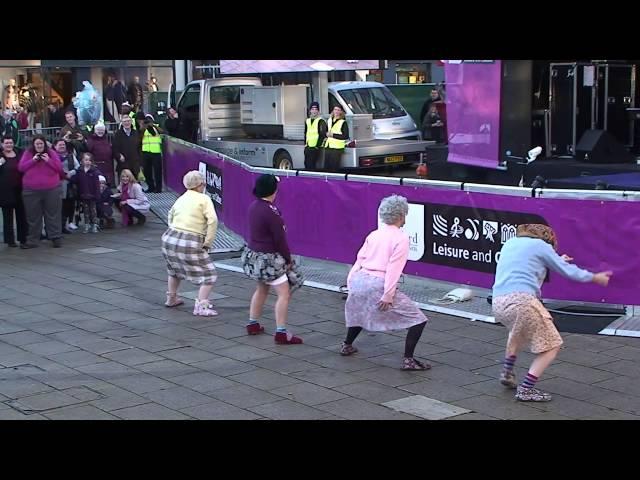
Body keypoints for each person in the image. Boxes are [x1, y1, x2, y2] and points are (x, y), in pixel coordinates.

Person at [492, 224, 612, 402]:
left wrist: (557, 259)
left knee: (516, 333)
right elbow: (568, 271)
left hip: (499, 302)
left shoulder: (511, 242)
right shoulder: (542, 246)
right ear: (548, 239)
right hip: (523, 301)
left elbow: (529, 263)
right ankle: (526, 389)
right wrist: (595, 277)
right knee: (552, 346)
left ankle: (507, 372)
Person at [342, 195, 430, 370]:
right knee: (418, 320)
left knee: (360, 312)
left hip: (359, 280)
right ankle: (408, 360)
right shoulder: (401, 238)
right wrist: (388, 295)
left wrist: (350, 283)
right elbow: (393, 269)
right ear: (400, 215)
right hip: (378, 283)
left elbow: (359, 259)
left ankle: (346, 344)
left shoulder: (374, 234)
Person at [241, 174, 305, 345]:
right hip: (269, 260)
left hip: (254, 257)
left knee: (261, 289)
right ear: (273, 190)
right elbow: (280, 240)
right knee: (284, 294)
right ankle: (281, 332)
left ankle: (253, 323)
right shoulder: (272, 212)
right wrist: (288, 258)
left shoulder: (253, 207)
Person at [161, 170, 219, 316]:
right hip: (190, 239)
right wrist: (208, 242)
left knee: (174, 269)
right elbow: (213, 220)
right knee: (209, 274)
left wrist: (174, 230)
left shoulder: (181, 198)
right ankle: (201, 306)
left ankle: (171, 298)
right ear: (201, 185)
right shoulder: (204, 199)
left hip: (170, 237)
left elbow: (170, 215)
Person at [18, 135, 64, 248]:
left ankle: (55, 237)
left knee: (53, 214)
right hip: (31, 191)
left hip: (51, 189)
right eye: (37, 144)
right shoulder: (28, 153)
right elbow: (21, 168)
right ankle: (33, 240)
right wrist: (32, 160)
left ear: (44, 144)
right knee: (33, 217)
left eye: (41, 144)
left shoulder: (52, 153)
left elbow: (59, 168)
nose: (39, 146)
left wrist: (48, 160)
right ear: (33, 145)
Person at [0, 135, 26, 246]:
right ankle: (10, 240)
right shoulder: (0, 156)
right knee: (7, 216)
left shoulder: (19, 153)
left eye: (10, 142)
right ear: (2, 144)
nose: (9, 145)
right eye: (6, 143)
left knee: (21, 215)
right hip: (5, 190)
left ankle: (23, 238)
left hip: (19, 188)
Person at [70, 152, 101, 234]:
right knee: (86, 210)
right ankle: (87, 224)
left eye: (90, 160)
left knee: (93, 210)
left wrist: (97, 194)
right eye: (86, 160)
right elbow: (76, 180)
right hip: (83, 194)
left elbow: (97, 184)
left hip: (92, 194)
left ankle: (94, 224)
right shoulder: (79, 171)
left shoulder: (94, 171)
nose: (88, 162)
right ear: (82, 161)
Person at [54, 138, 80, 233]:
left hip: (69, 184)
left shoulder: (70, 155)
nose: (62, 146)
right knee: (58, 207)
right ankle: (57, 227)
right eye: (60, 145)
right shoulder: (53, 157)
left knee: (68, 205)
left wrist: (71, 172)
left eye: (63, 145)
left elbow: (77, 166)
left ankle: (64, 225)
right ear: (55, 146)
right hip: (58, 183)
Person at [112, 114, 142, 180]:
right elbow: (114, 148)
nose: (127, 123)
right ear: (122, 123)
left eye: (128, 121)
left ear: (131, 122)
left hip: (134, 164)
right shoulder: (118, 134)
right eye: (125, 121)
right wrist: (119, 156)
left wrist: (139, 160)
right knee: (124, 185)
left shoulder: (136, 133)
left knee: (134, 184)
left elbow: (139, 147)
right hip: (123, 163)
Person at [87, 122, 115, 187]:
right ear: (95, 131)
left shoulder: (106, 139)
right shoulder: (91, 140)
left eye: (102, 130)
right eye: (98, 130)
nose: (100, 131)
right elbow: (88, 151)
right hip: (97, 167)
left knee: (107, 187)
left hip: (108, 167)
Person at [141, 114, 163, 193]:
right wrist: (144, 126)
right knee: (147, 171)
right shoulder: (143, 128)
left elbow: (162, 132)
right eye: (146, 120)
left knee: (157, 171)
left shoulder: (156, 126)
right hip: (146, 152)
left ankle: (158, 188)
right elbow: (139, 136)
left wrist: (153, 126)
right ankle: (151, 187)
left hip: (156, 152)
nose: (148, 121)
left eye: (149, 119)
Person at [323, 104, 349, 172]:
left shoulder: (343, 122)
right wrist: (326, 135)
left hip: (337, 148)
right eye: (335, 109)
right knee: (326, 166)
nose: (336, 111)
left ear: (341, 112)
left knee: (334, 167)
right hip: (328, 146)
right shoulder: (329, 120)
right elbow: (326, 131)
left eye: (338, 110)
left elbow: (345, 136)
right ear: (333, 111)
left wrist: (333, 135)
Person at [303, 101, 327, 171]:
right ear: (310, 110)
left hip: (315, 147)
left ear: (318, 111)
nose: (314, 111)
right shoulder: (307, 121)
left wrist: (317, 146)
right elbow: (305, 133)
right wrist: (305, 144)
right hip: (308, 147)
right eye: (312, 109)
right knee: (306, 164)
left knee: (312, 166)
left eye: (316, 109)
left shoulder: (321, 121)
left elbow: (322, 135)